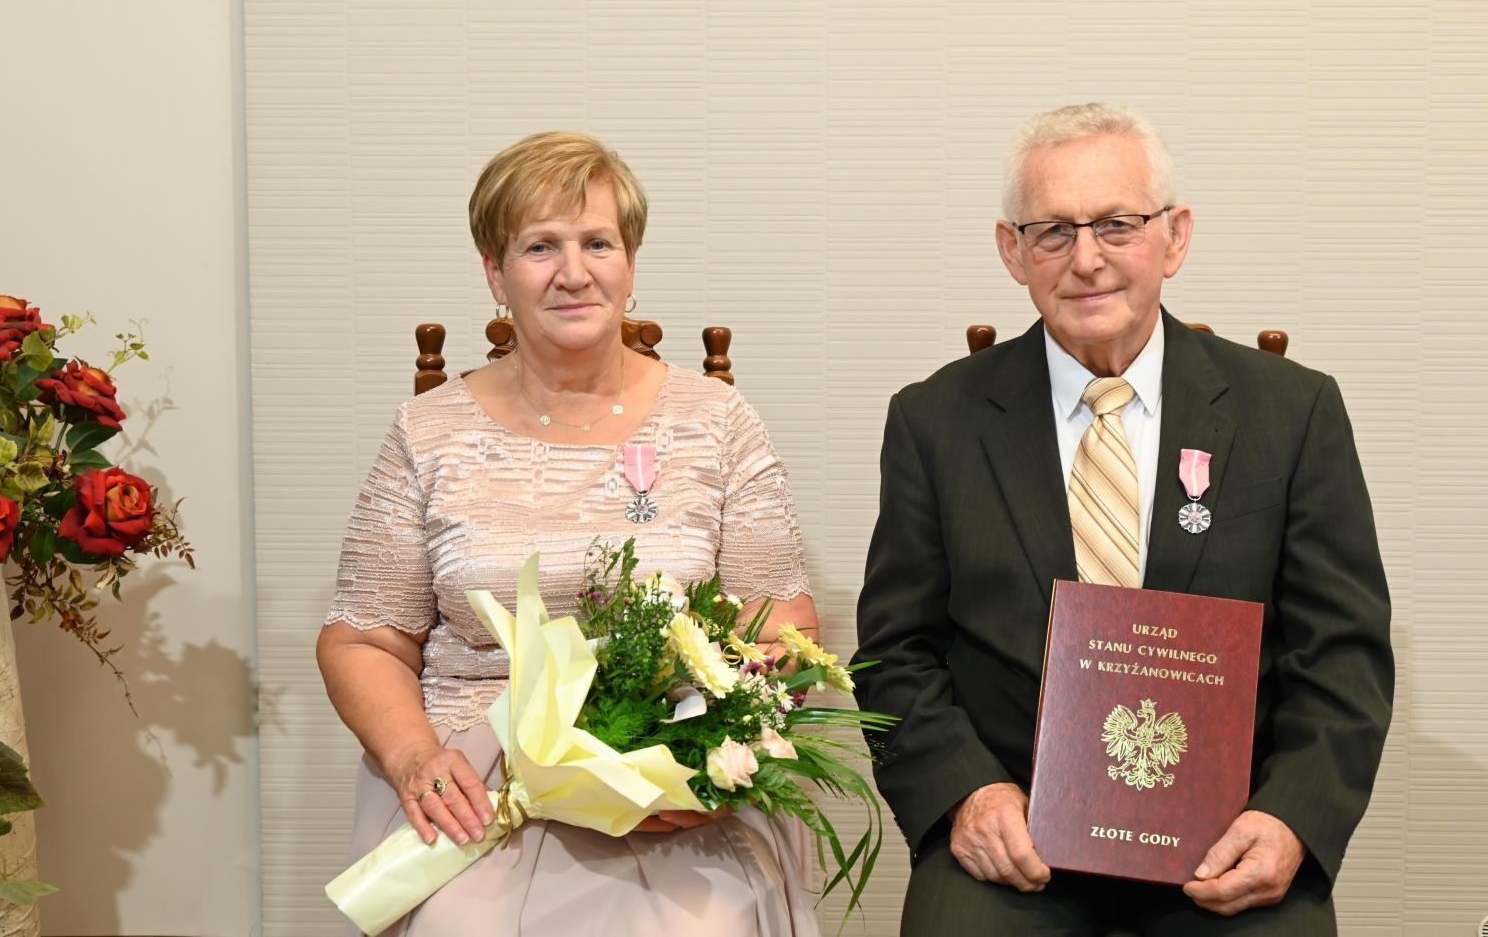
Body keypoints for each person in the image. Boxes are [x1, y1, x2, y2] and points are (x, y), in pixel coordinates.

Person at [854, 103, 1393, 935]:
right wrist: (966, 794)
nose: (1087, 260)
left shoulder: (1293, 412)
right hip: (1020, 842)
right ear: (1012, 251)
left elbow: (1343, 655)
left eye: (1117, 224)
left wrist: (1289, 819)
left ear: (1174, 238)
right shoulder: (936, 421)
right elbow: (896, 653)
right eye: (1053, 232)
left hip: (1224, 835)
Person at [318, 131, 821, 936]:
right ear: (495, 272)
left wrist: (712, 770)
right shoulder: (427, 432)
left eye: (598, 243)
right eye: (539, 247)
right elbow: (364, 640)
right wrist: (417, 758)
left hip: (675, 792)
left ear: (630, 263)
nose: (574, 272)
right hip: (486, 796)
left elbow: (783, 627)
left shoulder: (718, 422)